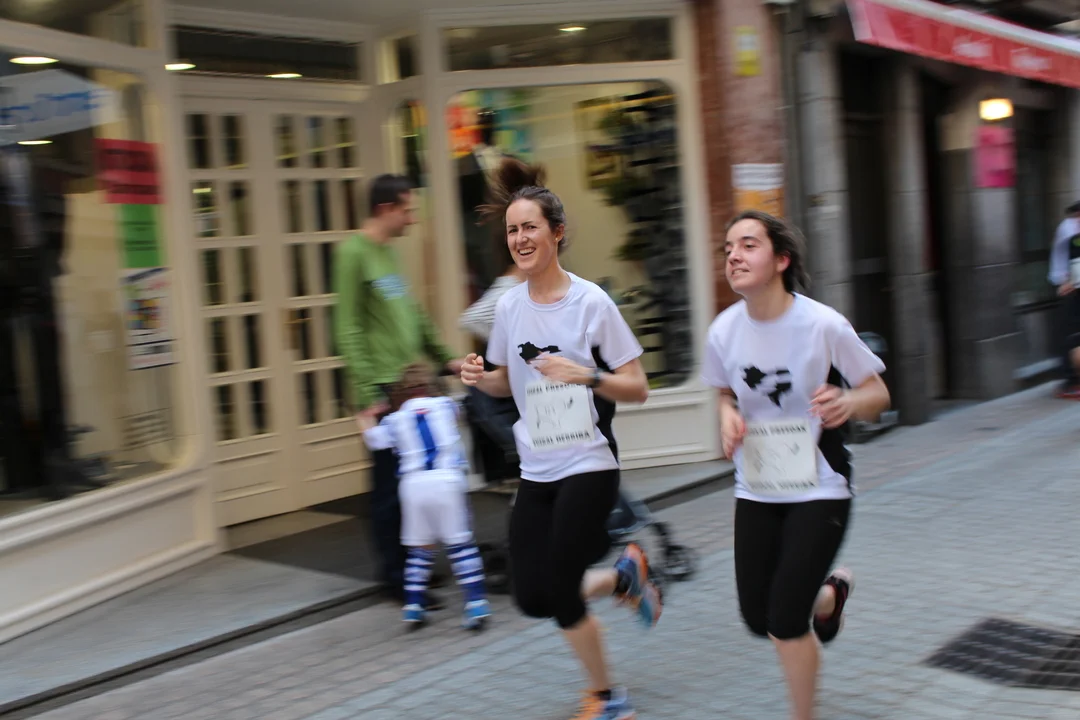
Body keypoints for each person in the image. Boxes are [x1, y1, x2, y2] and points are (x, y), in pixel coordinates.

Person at [460, 159, 662, 720]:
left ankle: (609, 698)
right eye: (512, 230)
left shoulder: (591, 303)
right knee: (531, 596)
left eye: (530, 227)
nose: (520, 238)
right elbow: (505, 381)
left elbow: (638, 387)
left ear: (557, 233)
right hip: (538, 466)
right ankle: (623, 576)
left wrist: (587, 375)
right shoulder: (509, 306)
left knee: (562, 588)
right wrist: (480, 376)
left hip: (589, 463)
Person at [701, 210, 891, 720]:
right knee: (755, 616)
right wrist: (726, 415)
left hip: (819, 486)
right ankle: (828, 598)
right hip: (757, 486)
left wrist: (848, 402)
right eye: (728, 248)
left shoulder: (822, 324)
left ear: (781, 259)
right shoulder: (723, 331)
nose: (734, 256)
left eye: (748, 245)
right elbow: (723, 393)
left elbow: (877, 393)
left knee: (785, 620)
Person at [333, 174, 463, 610]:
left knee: (413, 483)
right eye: (407, 210)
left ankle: (413, 568)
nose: (411, 218)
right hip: (382, 391)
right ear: (385, 208)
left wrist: (446, 358)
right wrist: (367, 389)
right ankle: (397, 578)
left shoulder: (388, 253)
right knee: (390, 490)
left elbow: (413, 313)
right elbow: (347, 326)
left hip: (408, 388)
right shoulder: (353, 253)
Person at [362, 363, 491, 630]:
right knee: (461, 546)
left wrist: (365, 417)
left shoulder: (394, 419)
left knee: (420, 549)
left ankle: (413, 607)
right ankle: (476, 603)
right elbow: (463, 411)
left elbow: (374, 441)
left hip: (413, 485)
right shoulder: (446, 406)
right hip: (447, 480)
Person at [1047, 200, 1080, 399]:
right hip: (1068, 288)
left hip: (1074, 287)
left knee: (1073, 337)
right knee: (1071, 337)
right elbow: (1074, 260)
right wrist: (1071, 282)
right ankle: (1071, 381)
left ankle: (1072, 380)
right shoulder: (1069, 229)